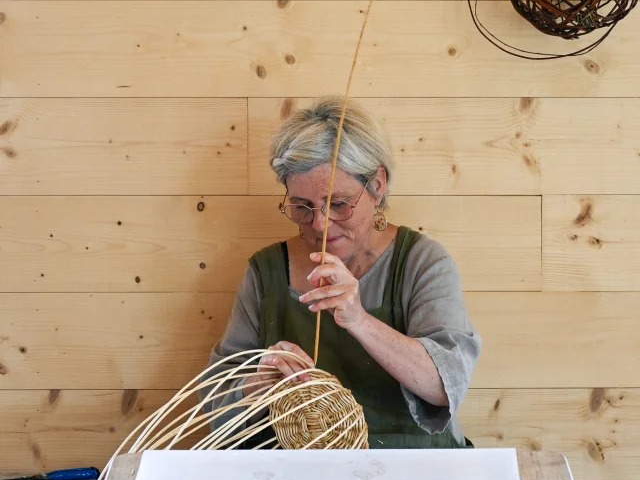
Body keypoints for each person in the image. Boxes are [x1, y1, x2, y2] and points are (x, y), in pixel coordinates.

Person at [199, 97, 481, 448]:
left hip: (411, 472)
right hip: (296, 475)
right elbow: (213, 400)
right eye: (301, 206)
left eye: (338, 203)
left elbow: (444, 387)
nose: (319, 223)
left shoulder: (422, 262)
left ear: (377, 185)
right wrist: (259, 382)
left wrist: (359, 320)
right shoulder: (266, 271)